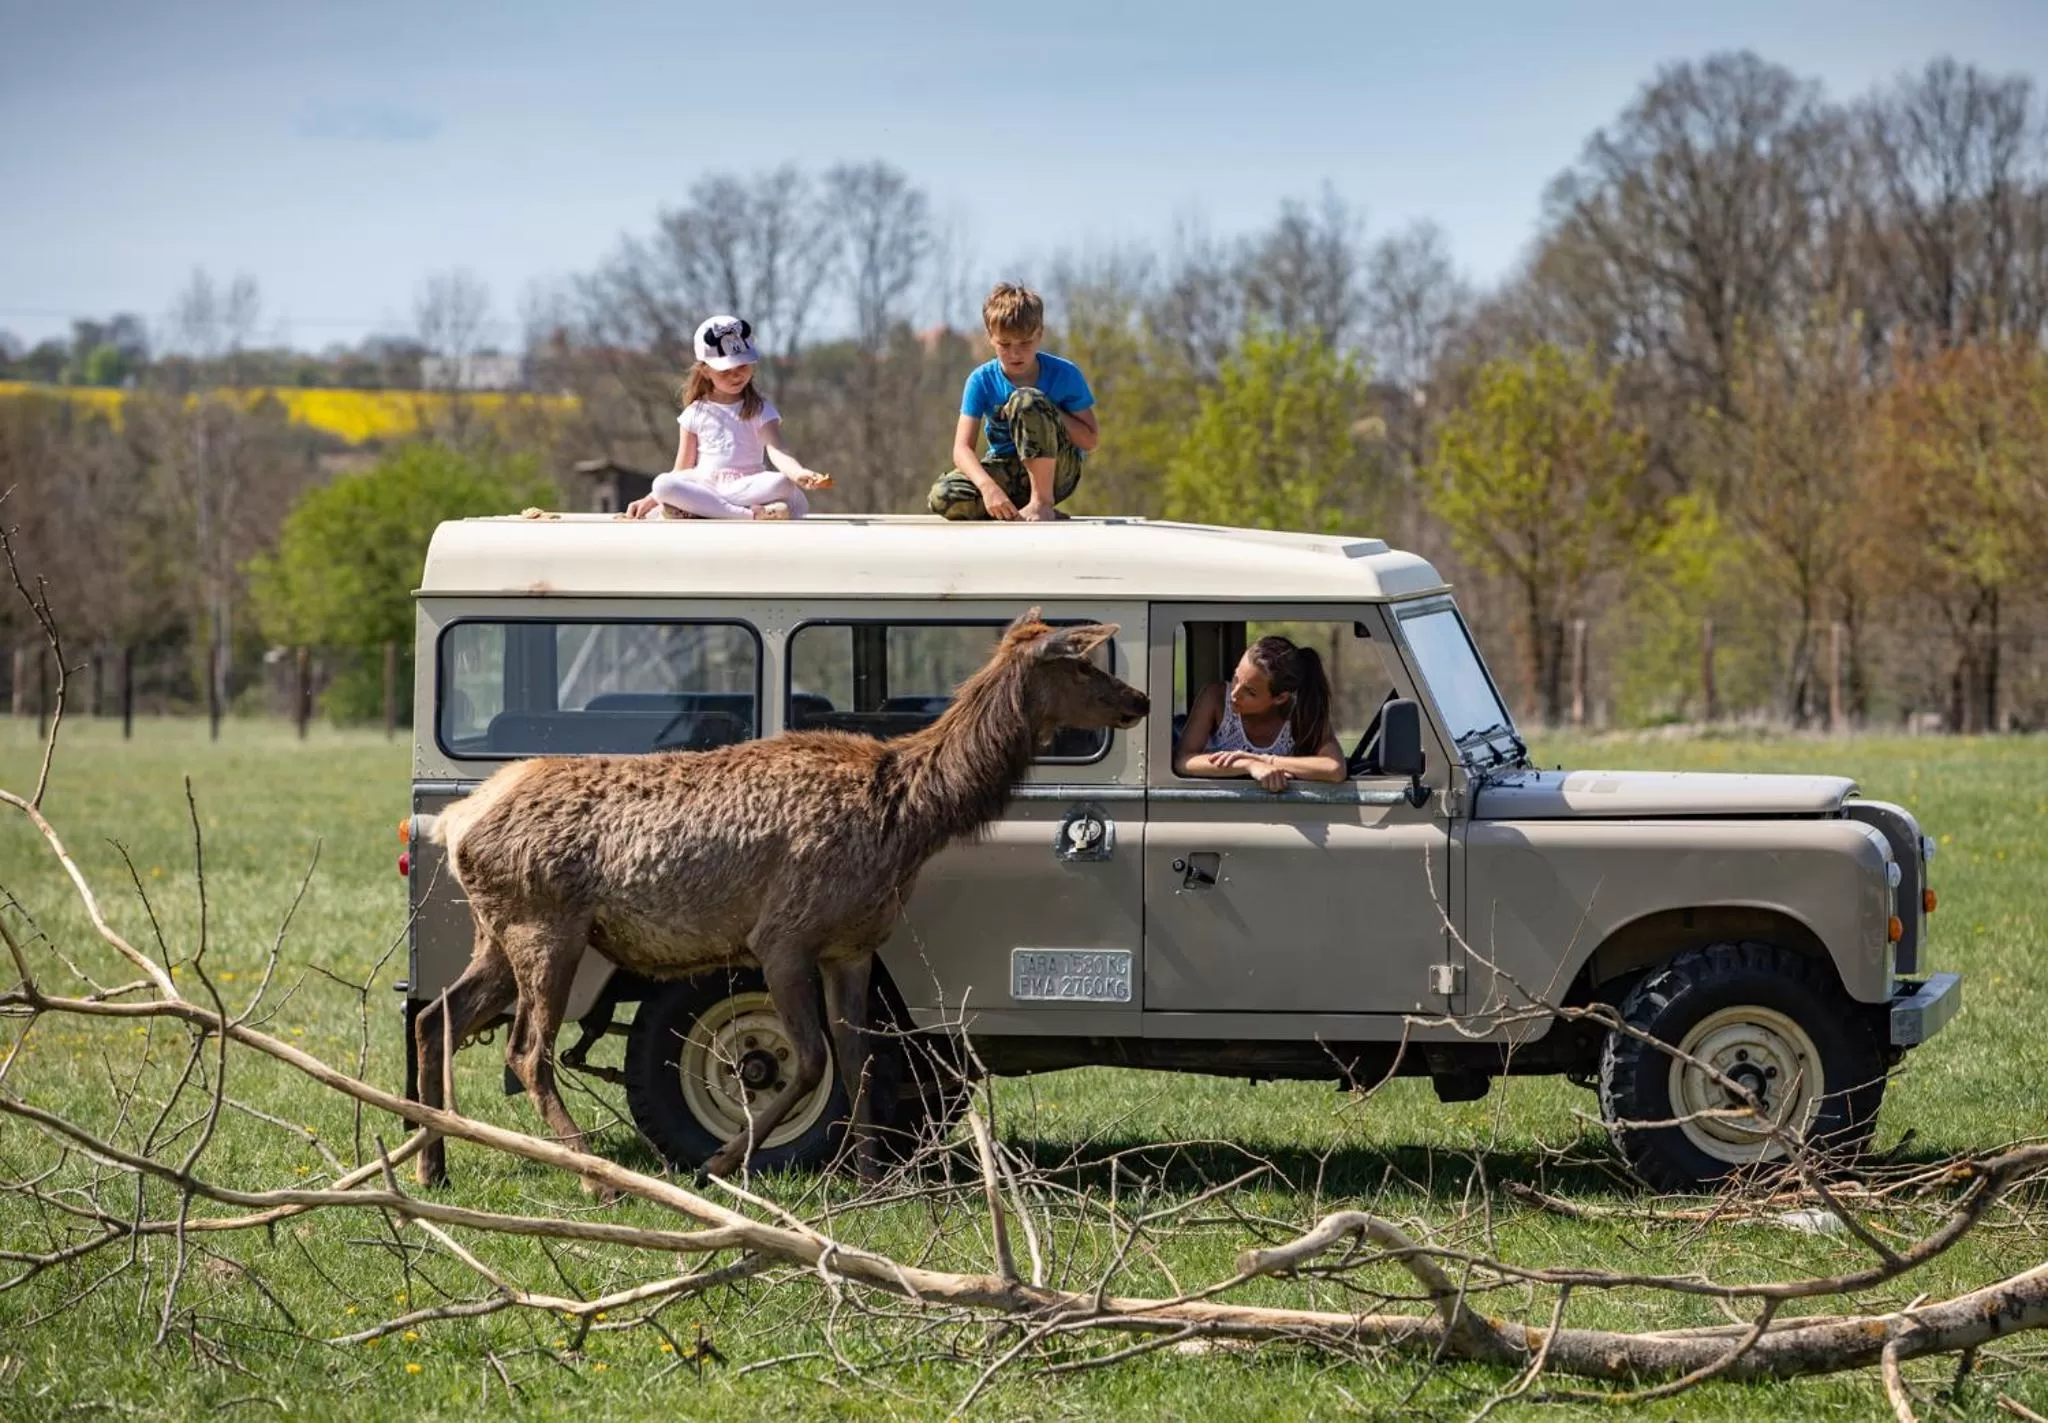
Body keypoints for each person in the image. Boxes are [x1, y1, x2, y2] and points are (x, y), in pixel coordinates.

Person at [626, 315, 831, 521]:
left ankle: (705, 510)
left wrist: (797, 473)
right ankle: (747, 514)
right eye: (725, 370)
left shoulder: (759, 408)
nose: (736, 375)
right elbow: (682, 469)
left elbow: (777, 449)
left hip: (746, 486)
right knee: (662, 484)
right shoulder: (695, 412)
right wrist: (653, 498)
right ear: (705, 370)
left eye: (742, 366)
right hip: (704, 485)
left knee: (783, 484)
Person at [927, 283, 1099, 522]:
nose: (1015, 353)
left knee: (1025, 399)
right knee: (943, 496)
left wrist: (1049, 411)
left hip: (1057, 470)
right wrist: (987, 487)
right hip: (1006, 469)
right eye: (1005, 345)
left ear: (1039, 334)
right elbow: (962, 449)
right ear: (990, 338)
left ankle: (1042, 502)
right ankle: (1008, 508)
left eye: (1025, 343)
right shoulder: (981, 380)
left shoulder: (1064, 374)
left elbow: (1090, 440)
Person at [1174, 636, 1346, 792]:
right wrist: (1249, 765)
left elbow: (1334, 769)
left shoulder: (1300, 713)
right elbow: (1183, 761)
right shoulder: (1215, 698)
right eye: (1236, 678)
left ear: (1280, 698)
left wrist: (1266, 760)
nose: (1235, 693)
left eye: (1250, 692)